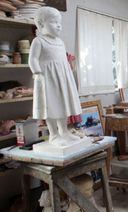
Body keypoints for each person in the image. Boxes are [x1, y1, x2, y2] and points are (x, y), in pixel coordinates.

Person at [29, 6, 81, 146]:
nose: (59, 25)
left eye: (60, 22)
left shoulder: (60, 43)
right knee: (51, 106)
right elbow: (33, 59)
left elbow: (63, 60)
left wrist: (68, 73)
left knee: (62, 104)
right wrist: (37, 72)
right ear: (40, 24)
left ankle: (64, 131)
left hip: (62, 78)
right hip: (47, 78)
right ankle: (53, 134)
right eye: (54, 22)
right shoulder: (38, 41)